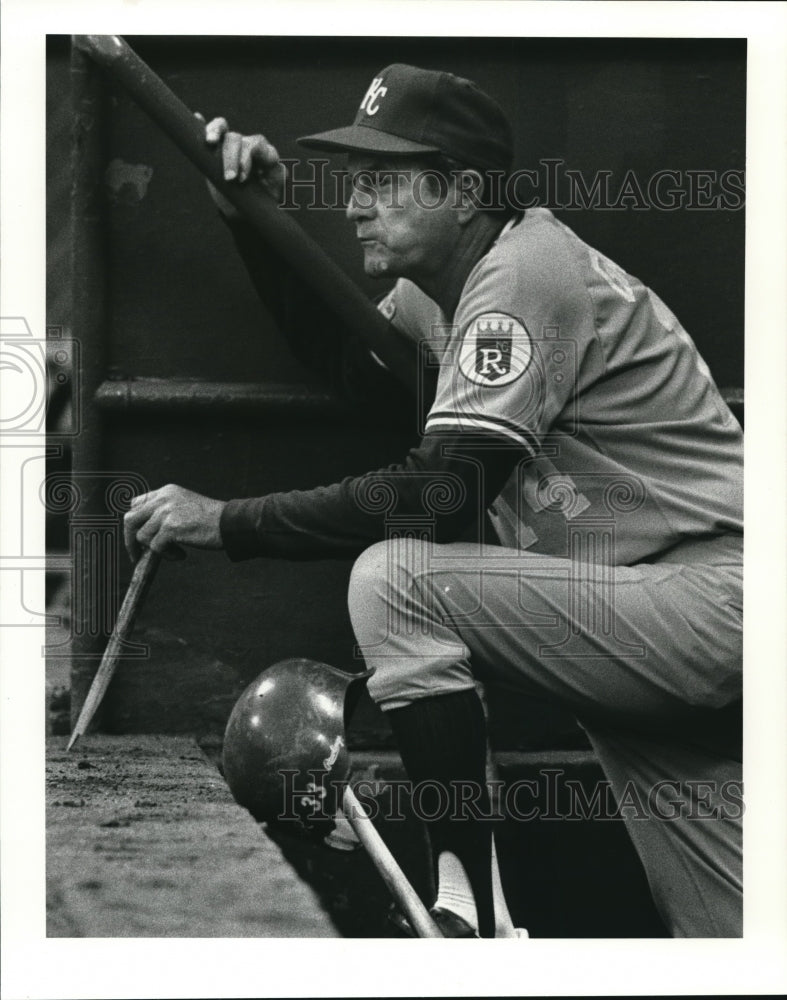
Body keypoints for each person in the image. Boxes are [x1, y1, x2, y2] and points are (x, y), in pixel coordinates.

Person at [123, 63, 743, 938]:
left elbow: (439, 490)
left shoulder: (525, 273)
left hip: (707, 602)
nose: (353, 203)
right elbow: (362, 379)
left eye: (382, 180)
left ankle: (471, 909)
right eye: (354, 181)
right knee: (733, 935)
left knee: (396, 579)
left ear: (459, 192)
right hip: (635, 637)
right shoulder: (438, 292)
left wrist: (228, 522)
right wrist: (251, 226)